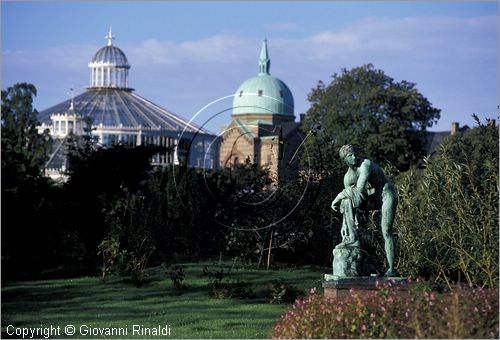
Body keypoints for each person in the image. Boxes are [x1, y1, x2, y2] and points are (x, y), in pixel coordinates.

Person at [331, 144, 398, 277]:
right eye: (350, 155)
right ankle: (350, 238)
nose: (354, 157)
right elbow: (354, 199)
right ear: (345, 159)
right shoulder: (347, 178)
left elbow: (359, 190)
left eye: (355, 153)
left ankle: (391, 269)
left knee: (386, 230)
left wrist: (337, 197)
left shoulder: (365, 165)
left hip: (385, 194)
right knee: (347, 201)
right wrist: (349, 220)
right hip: (369, 200)